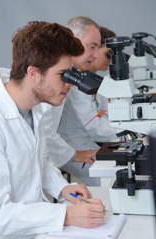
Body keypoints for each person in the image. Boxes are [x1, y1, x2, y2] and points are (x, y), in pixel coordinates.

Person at [0, 21, 106, 239]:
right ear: (34, 73)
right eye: (63, 75)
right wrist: (66, 214)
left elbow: (38, 160)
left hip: (34, 225)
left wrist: (61, 187)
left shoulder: (35, 108)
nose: (70, 83)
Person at [56, 17, 118, 186]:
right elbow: (93, 125)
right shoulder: (67, 79)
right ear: (73, 41)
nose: (97, 55)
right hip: (70, 148)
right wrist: (125, 133)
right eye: (93, 47)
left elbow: (100, 117)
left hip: (79, 145)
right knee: (112, 178)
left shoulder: (82, 76)